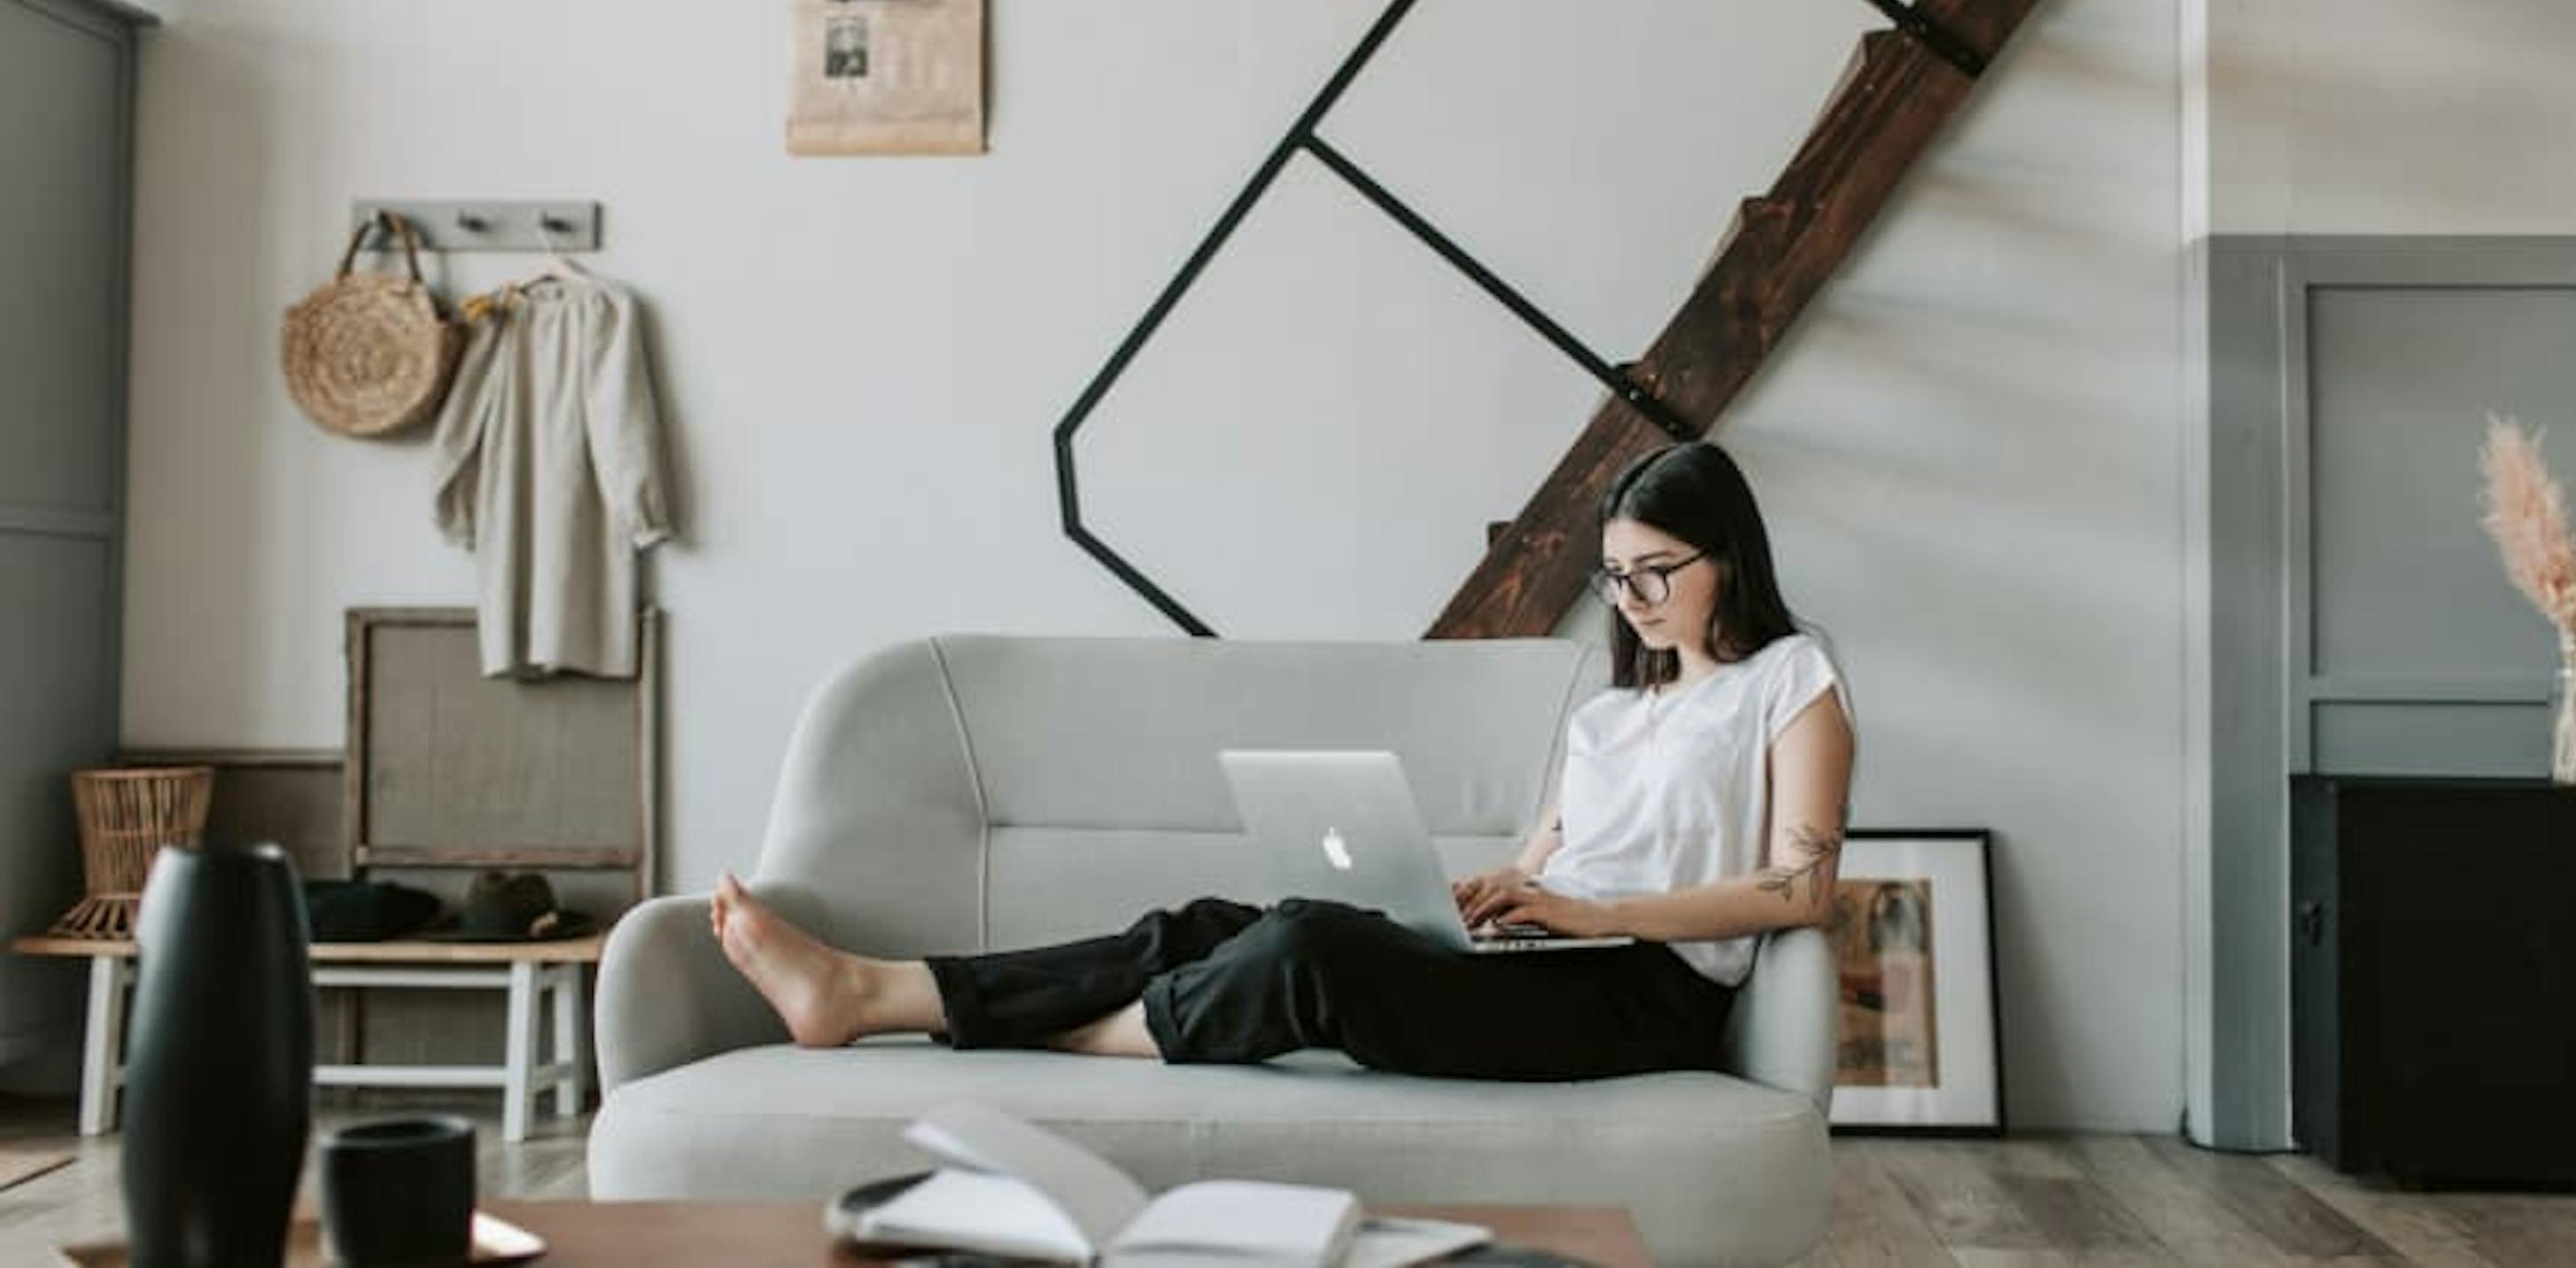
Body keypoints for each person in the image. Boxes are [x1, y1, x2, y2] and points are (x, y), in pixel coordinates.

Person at [711, 440, 1855, 1081]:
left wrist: (1600, 913)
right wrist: (1500, 892)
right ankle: (871, 989)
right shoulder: (1612, 711)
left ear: (1727, 554)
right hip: (1543, 959)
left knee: (1306, 949)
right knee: (1213, 922)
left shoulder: (1791, 680)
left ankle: (1046, 1031)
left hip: (1638, 999)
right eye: (1615, 576)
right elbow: (1545, 857)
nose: (1633, 599)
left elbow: (1801, 887)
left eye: (1657, 569)